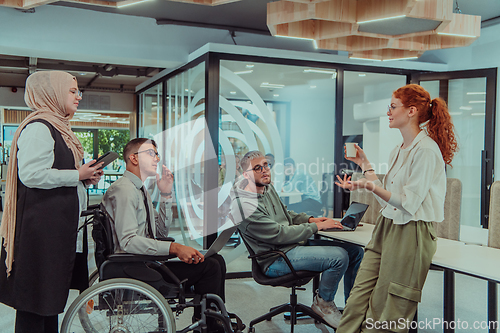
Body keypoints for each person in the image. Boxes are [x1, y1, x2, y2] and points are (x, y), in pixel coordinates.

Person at [335, 84, 458, 333]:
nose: (388, 112)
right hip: (387, 227)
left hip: (412, 234)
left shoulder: (426, 150)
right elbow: (390, 203)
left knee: (387, 310)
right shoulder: (397, 150)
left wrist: (370, 187)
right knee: (357, 299)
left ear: (411, 110)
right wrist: (366, 166)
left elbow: (408, 203)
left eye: (393, 107)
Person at [0, 71, 104, 333]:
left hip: (52, 231)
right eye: (72, 91)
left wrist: (84, 179)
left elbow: (54, 174)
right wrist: (77, 174)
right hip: (40, 233)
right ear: (52, 93)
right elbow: (32, 174)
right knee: (36, 301)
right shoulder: (39, 128)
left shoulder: (58, 128)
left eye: (78, 91)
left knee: (48, 300)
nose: (78, 96)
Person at [101, 138, 231, 330]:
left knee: (216, 260)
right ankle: (211, 324)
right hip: (132, 267)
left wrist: (165, 195)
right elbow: (128, 241)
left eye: (157, 154)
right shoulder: (124, 190)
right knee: (210, 267)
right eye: (151, 153)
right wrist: (175, 248)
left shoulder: (140, 190)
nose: (157, 159)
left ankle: (213, 318)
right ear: (134, 159)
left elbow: (160, 231)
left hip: (144, 261)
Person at [230, 150, 364, 329]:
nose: (264, 170)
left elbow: (287, 214)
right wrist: (317, 227)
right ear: (246, 175)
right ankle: (323, 304)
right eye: (257, 168)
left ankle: (352, 310)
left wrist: (310, 220)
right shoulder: (243, 205)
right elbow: (280, 234)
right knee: (338, 256)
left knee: (354, 251)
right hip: (276, 258)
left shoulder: (267, 189)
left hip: (292, 246)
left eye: (266, 165)